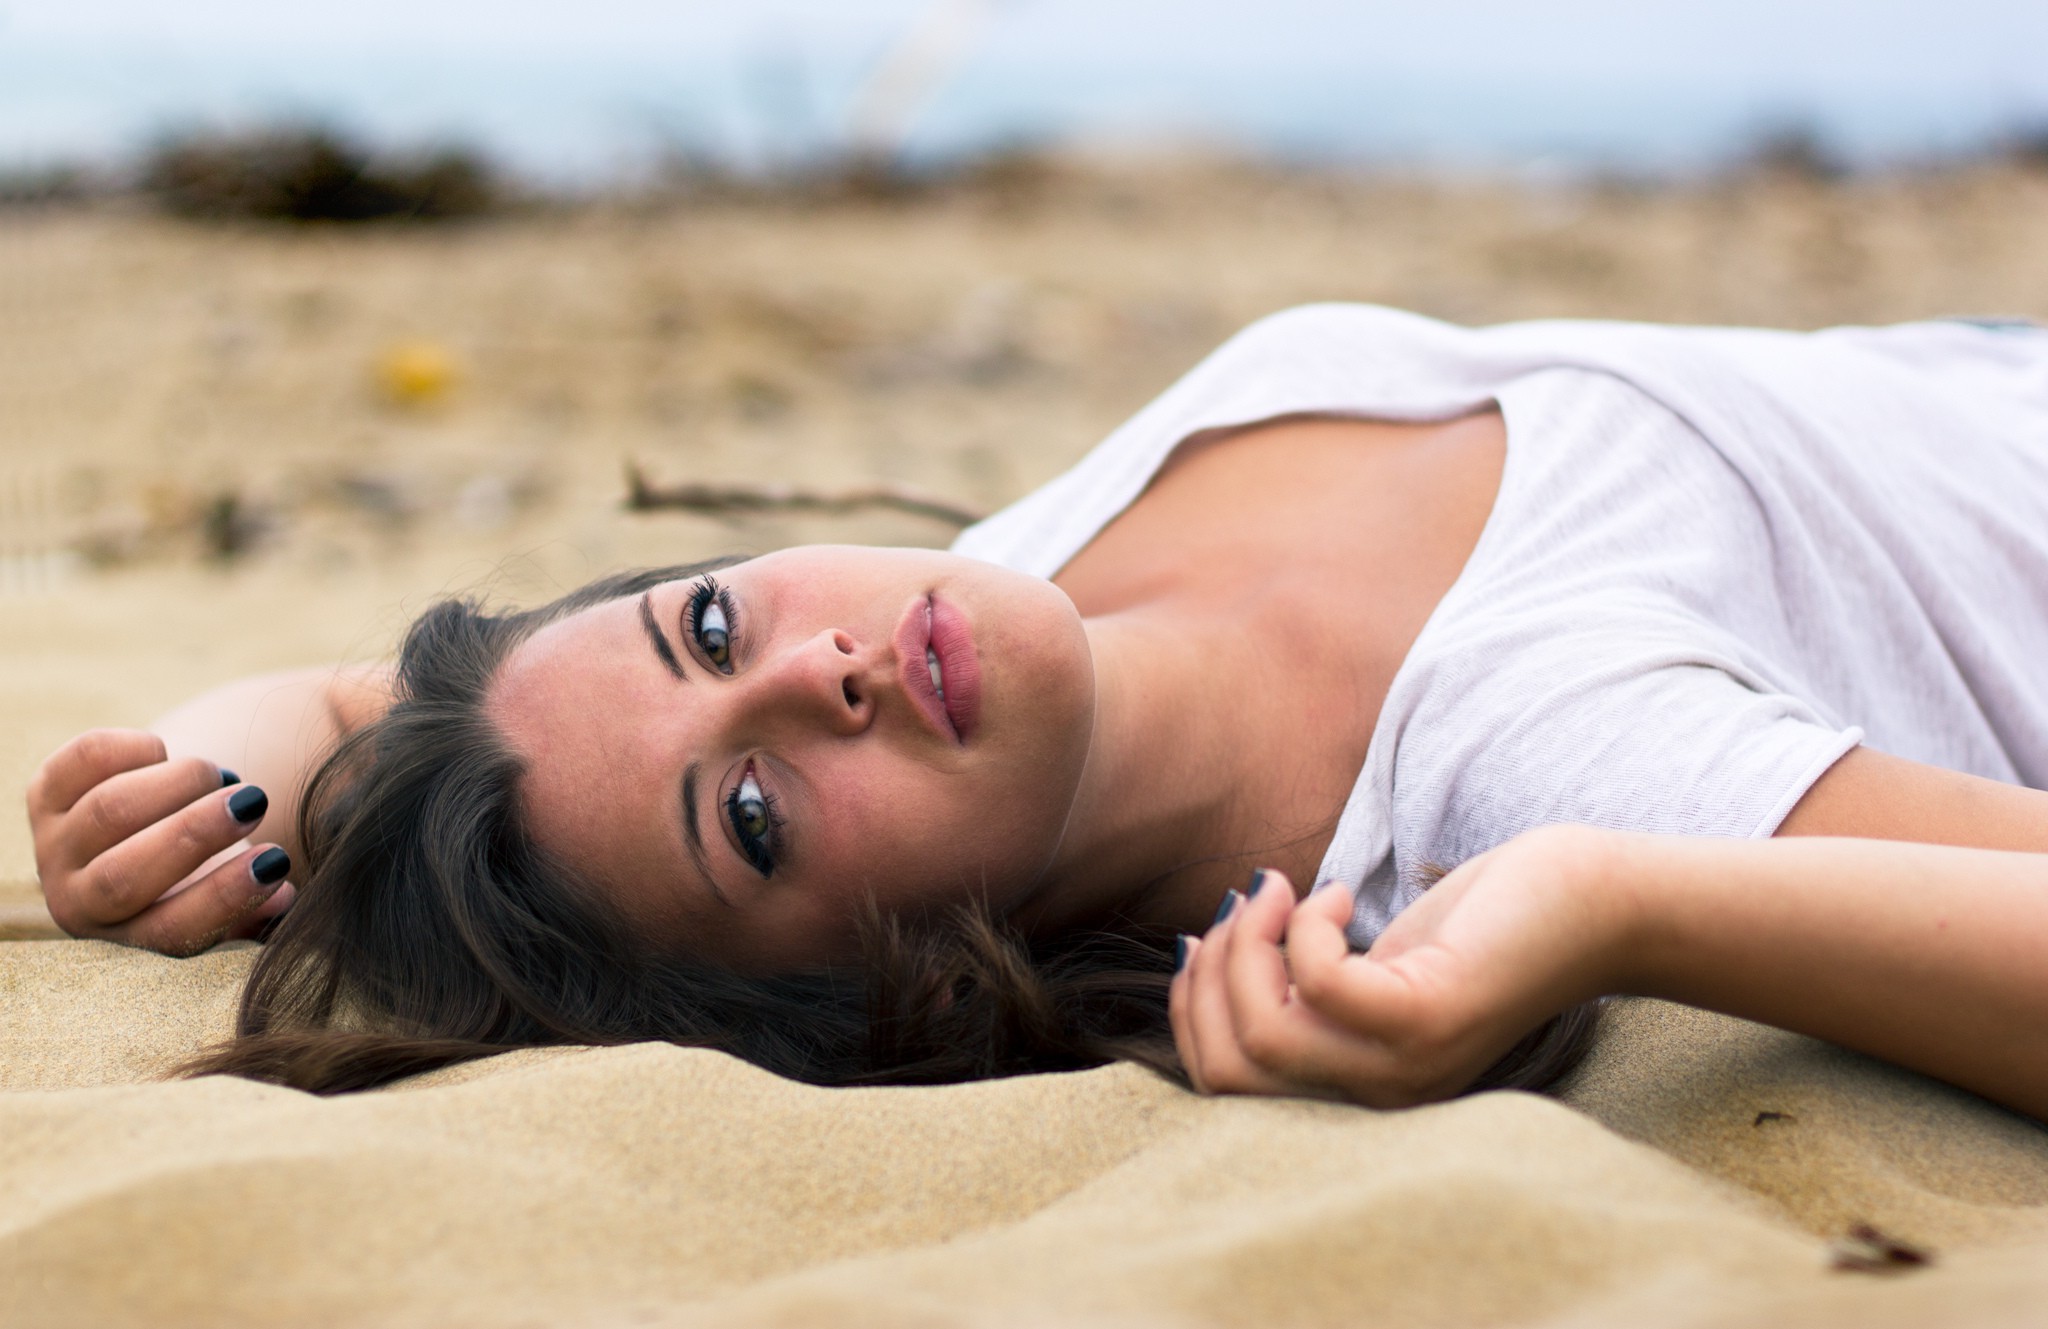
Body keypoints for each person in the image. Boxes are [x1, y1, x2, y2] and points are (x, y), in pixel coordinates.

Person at [25, 305, 2048, 1115]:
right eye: (756, 817)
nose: (811, 674)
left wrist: (204, 779)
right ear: (882, 983)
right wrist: (1622, 903)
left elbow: (392, 699)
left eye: (710, 612)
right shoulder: (1527, 759)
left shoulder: (1022, 563)